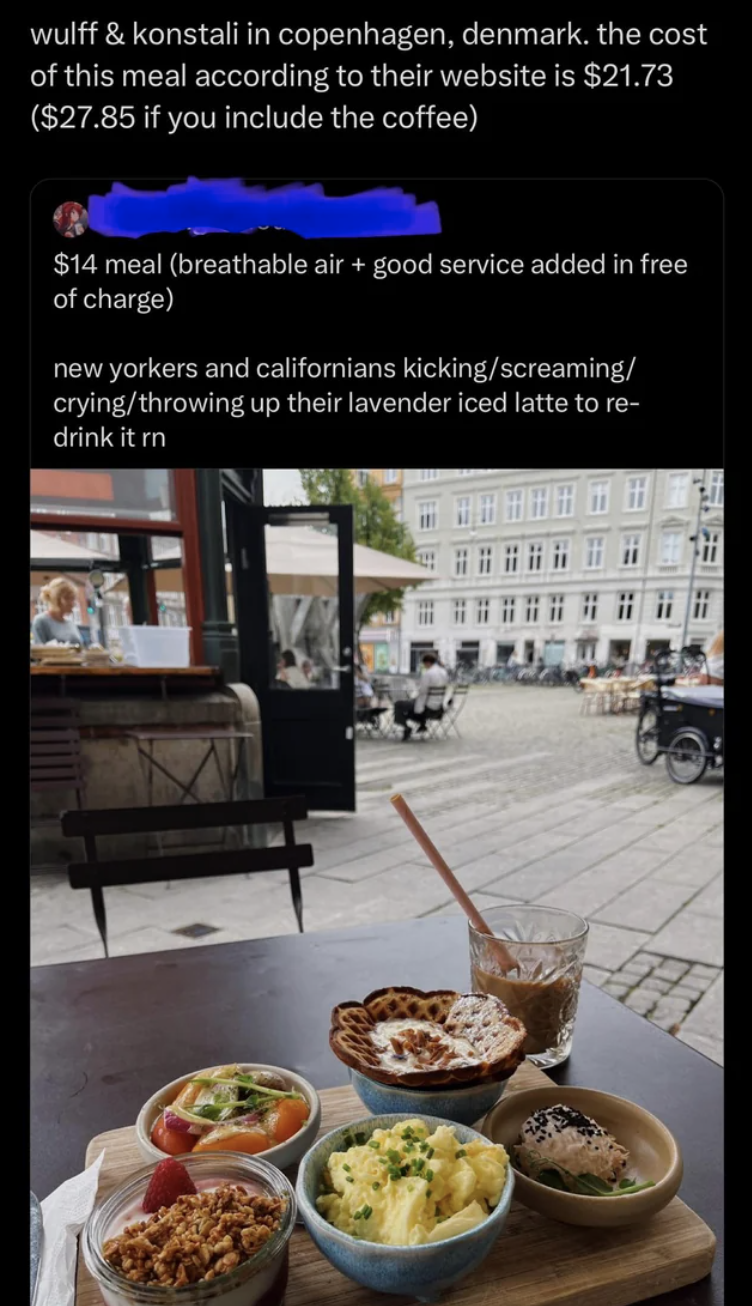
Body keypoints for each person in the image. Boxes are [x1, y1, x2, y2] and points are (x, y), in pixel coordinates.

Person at [393, 652, 448, 740]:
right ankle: (421, 723)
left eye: (424, 664)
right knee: (408, 705)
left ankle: (406, 726)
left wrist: (413, 697)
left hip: (427, 707)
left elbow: (422, 691)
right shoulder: (443, 672)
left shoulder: (428, 673)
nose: (424, 666)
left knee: (398, 704)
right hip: (438, 706)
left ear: (427, 663)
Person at [32, 578, 81, 644]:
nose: (74, 603)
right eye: (71, 598)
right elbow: (39, 650)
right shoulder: (41, 621)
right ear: (61, 599)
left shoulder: (70, 623)